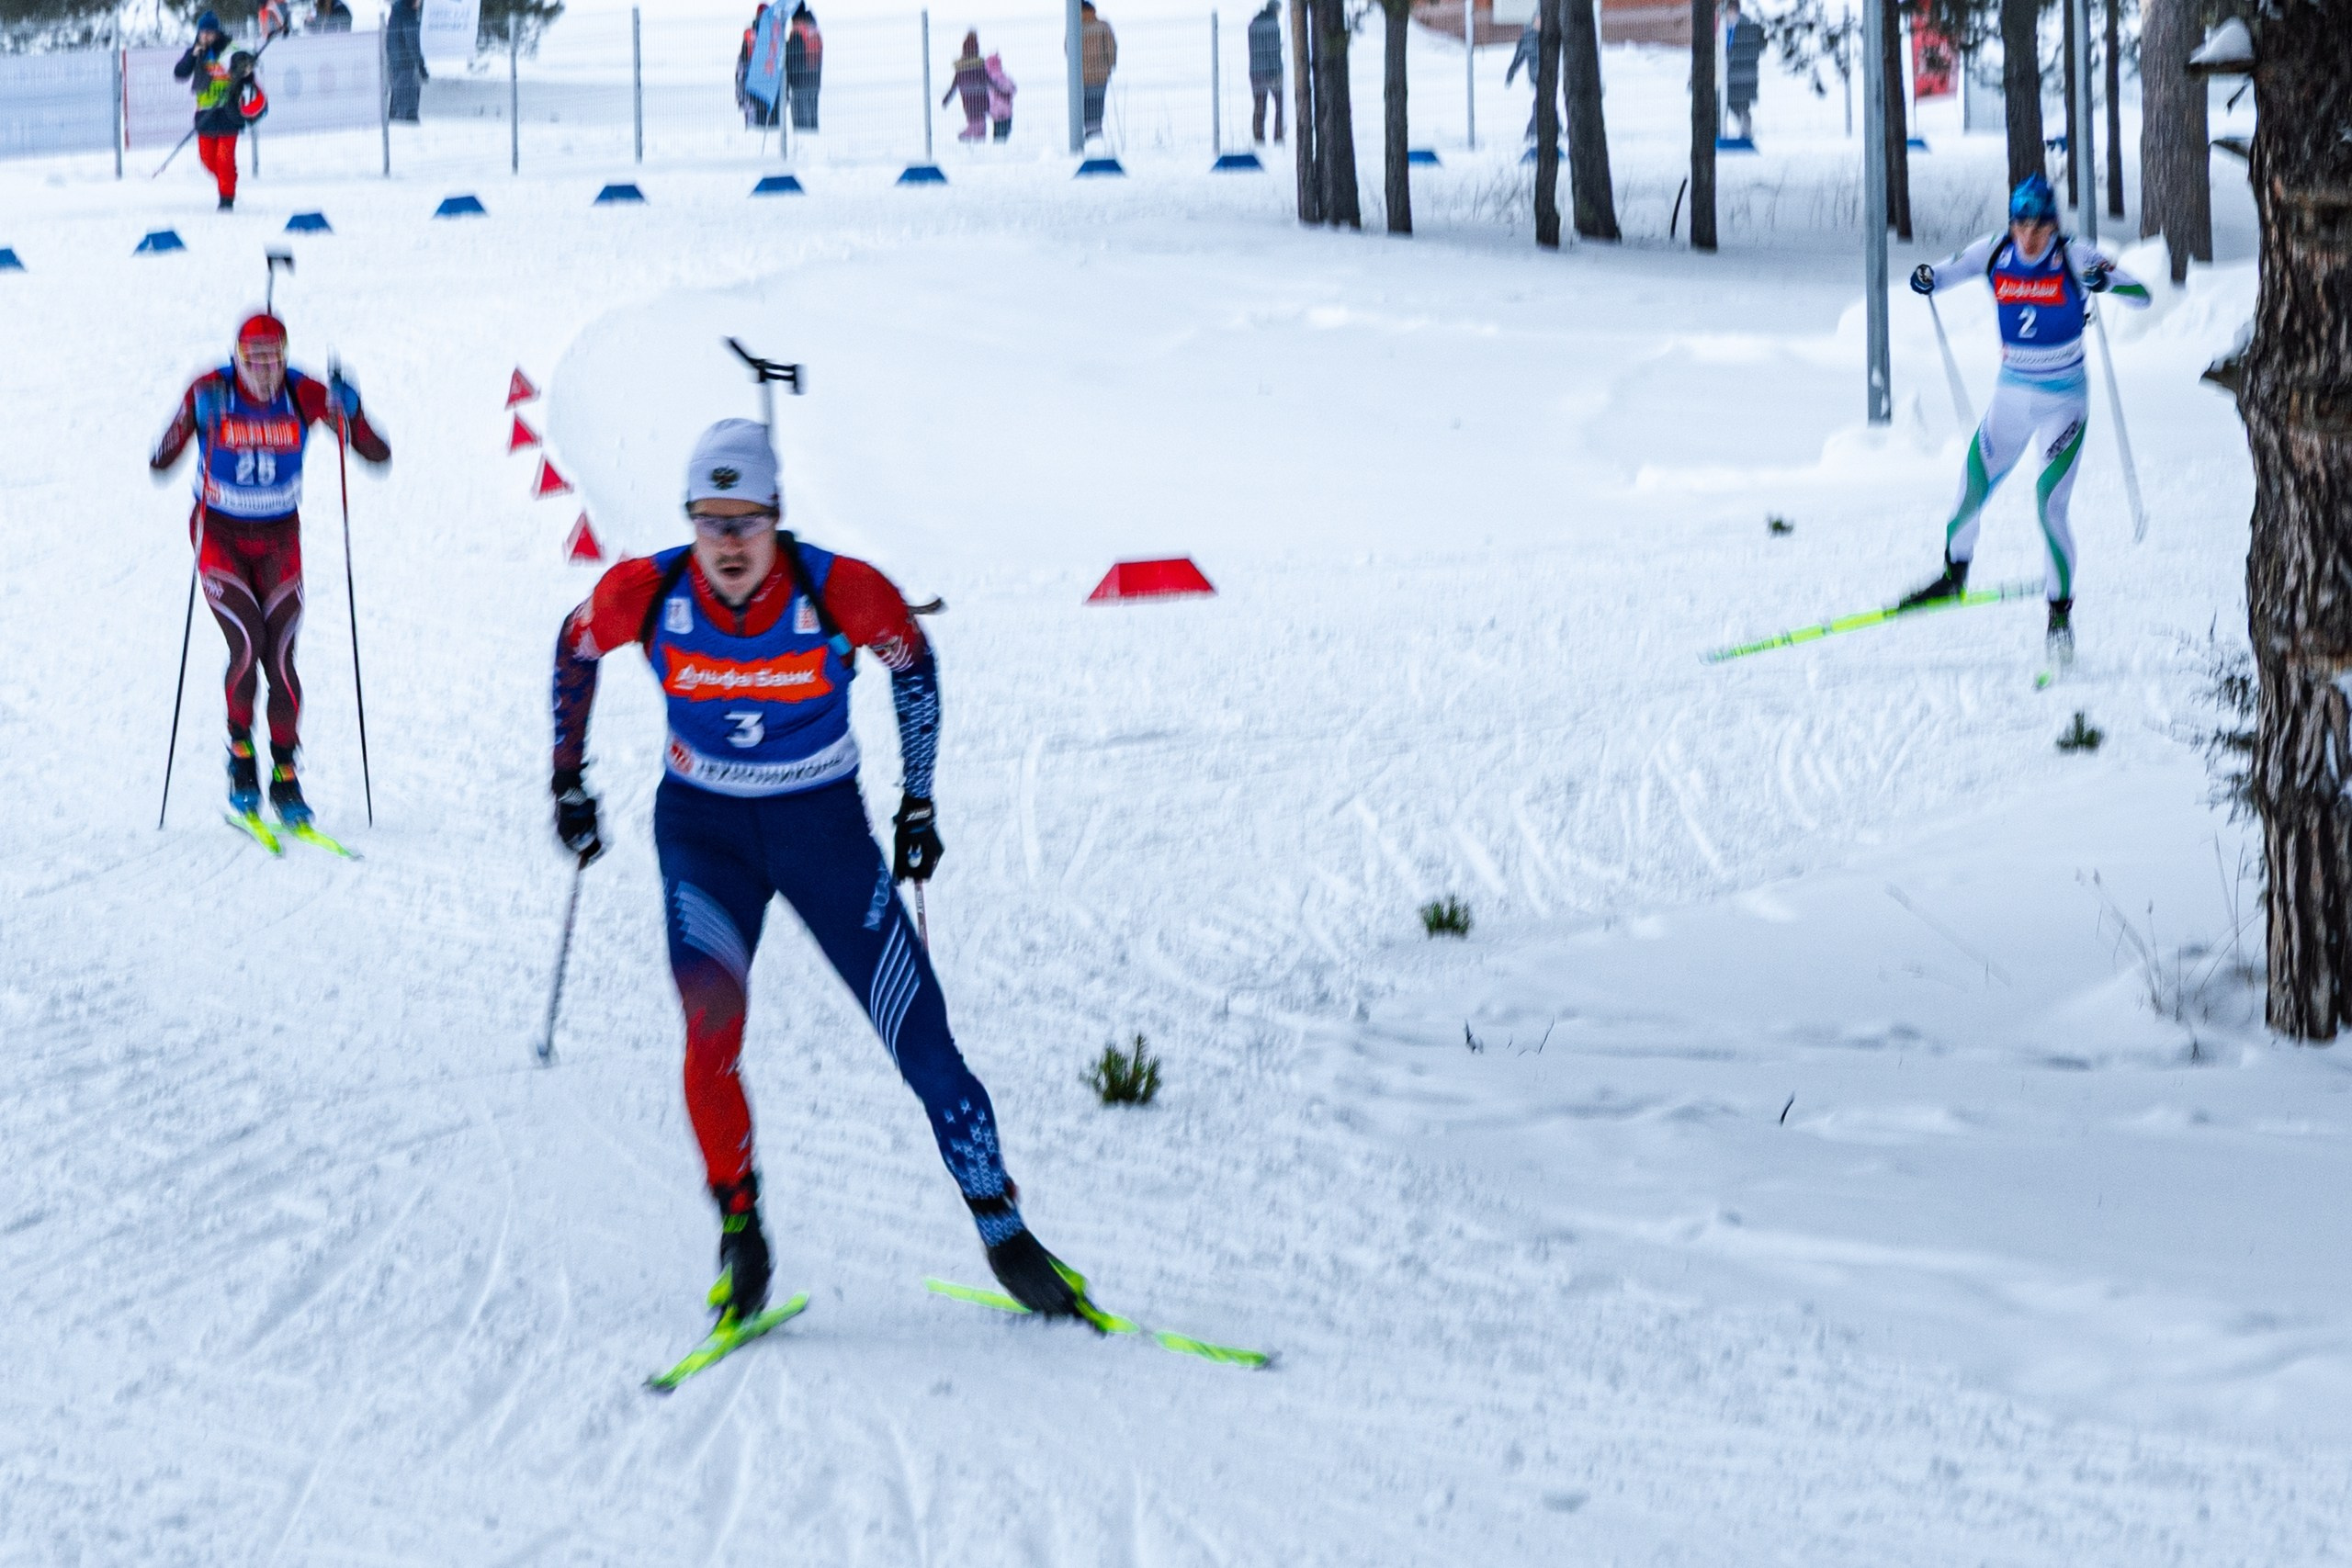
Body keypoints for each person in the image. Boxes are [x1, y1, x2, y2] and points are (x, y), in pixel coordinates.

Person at [547, 420, 1092, 1329]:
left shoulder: (840, 588)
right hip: (705, 832)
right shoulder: (648, 593)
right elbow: (573, 646)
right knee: (709, 1031)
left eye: (746, 520)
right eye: (709, 520)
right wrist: (568, 778)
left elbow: (912, 667)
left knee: (923, 1039)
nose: (727, 543)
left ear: (776, 516)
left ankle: (1006, 1233)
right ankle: (741, 1234)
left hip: (822, 831)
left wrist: (918, 803)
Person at [149, 315, 391, 827]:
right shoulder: (211, 388)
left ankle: (285, 775)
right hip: (218, 533)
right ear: (236, 358)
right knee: (247, 642)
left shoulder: (304, 392)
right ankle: (241, 757)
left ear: (285, 356)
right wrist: (191, 419)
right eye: (253, 361)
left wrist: (354, 411)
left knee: (280, 657)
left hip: (279, 537)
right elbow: (160, 461)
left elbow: (375, 454)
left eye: (273, 360)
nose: (263, 372)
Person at [1898, 174, 2151, 666]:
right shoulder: (1994, 251)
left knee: (2049, 507)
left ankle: (2059, 616)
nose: (2028, 235)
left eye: (2038, 225)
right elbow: (1942, 274)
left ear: (2053, 225)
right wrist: (1926, 277)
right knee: (1970, 490)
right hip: (2011, 395)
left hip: (2065, 404)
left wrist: (2108, 281)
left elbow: (2141, 294)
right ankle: (1954, 577)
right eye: (2020, 224)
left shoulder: (2076, 255)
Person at [173, 17, 267, 212]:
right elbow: (180, 73)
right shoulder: (196, 51)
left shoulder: (231, 50)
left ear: (217, 32)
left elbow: (247, 75)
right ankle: (228, 182)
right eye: (202, 32)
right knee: (208, 159)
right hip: (205, 115)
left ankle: (226, 200)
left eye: (209, 32)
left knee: (224, 159)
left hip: (228, 113)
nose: (205, 36)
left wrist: (247, 71)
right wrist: (192, 56)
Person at [1504, 22, 1563, 143]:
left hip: (1550, 75)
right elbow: (1519, 57)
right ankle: (1537, 130)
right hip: (1537, 76)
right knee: (1543, 101)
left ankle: (1544, 129)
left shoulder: (1550, 35)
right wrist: (1511, 72)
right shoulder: (1528, 38)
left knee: (1545, 101)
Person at [1723, 0, 1764, 141]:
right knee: (1730, 103)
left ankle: (1746, 132)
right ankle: (1743, 131)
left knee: (1739, 104)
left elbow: (1758, 47)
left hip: (1741, 74)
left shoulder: (1746, 26)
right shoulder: (1726, 26)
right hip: (1730, 75)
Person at [1247, 0, 1283, 144]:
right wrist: (1276, 72)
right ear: (1274, 10)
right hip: (1272, 71)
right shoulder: (1273, 25)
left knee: (1260, 106)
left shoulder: (1253, 24)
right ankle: (1278, 136)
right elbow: (1272, 51)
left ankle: (1259, 137)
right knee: (1281, 105)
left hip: (1255, 71)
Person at [944, 31, 989, 143]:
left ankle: (974, 138)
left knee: (974, 121)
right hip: (981, 98)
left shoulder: (961, 68)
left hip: (967, 100)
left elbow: (954, 85)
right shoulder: (979, 66)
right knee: (980, 124)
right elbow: (989, 80)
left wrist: (947, 98)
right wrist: (1000, 91)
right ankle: (971, 137)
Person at [1080, 1, 1115, 143]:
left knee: (1085, 104)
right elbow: (1111, 48)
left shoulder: (1076, 27)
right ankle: (1096, 133)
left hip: (1081, 77)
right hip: (1100, 75)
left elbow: (1067, 49)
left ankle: (1088, 132)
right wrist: (1109, 66)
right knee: (1097, 103)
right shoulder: (1103, 26)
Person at [386, 0, 426, 123]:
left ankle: (394, 113)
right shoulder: (407, 13)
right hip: (405, 60)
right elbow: (412, 42)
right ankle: (408, 116)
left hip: (394, 57)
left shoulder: (396, 10)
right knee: (409, 86)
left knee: (397, 87)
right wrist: (421, 66)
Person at [784, 3, 822, 132]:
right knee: (812, 121)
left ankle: (803, 148)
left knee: (800, 125)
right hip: (814, 81)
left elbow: (792, 60)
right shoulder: (813, 29)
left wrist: (786, 84)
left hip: (799, 84)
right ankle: (813, 146)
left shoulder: (797, 32)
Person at [985, 51, 1016, 141]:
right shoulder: (1004, 76)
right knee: (1006, 130)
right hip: (1006, 111)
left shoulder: (988, 79)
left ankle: (998, 147)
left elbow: (987, 96)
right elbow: (1013, 89)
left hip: (995, 112)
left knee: (998, 132)